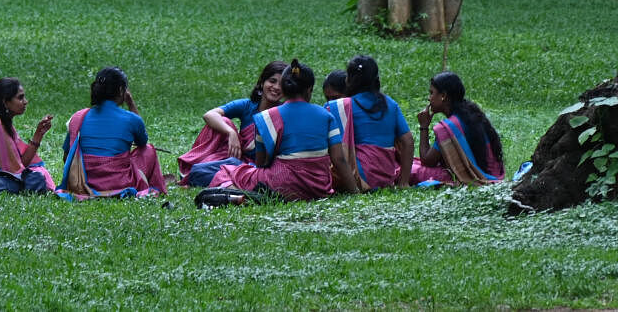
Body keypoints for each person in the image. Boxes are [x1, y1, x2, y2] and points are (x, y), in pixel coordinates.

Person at [209, 60, 359, 201]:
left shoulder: (267, 117)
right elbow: (339, 159)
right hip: (319, 188)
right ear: (310, 90)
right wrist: (355, 193)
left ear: (284, 88)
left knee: (227, 172)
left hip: (282, 184)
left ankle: (245, 196)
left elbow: (262, 163)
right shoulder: (327, 115)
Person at [57, 66, 167, 199]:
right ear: (121, 90)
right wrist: (131, 103)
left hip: (83, 183)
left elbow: (67, 156)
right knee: (148, 150)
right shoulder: (131, 119)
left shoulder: (79, 117)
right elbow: (142, 143)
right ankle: (152, 188)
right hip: (120, 184)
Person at [177, 60, 287, 186]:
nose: (276, 87)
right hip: (235, 159)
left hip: (255, 168)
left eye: (282, 84)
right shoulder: (247, 105)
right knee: (223, 122)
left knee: (202, 172)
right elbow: (210, 115)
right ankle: (198, 168)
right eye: (272, 81)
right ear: (262, 83)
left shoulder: (284, 113)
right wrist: (231, 133)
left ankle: (210, 176)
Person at [326, 55, 413, 190]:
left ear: (348, 80)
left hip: (357, 177)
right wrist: (404, 181)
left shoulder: (342, 106)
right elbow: (408, 141)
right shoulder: (390, 104)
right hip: (387, 177)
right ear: (376, 79)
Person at [411, 71, 505, 186]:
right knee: (409, 162)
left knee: (409, 170)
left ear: (443, 96)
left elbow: (427, 161)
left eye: (432, 93)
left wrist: (424, 127)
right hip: (492, 174)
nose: (429, 98)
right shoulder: (473, 114)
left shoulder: (448, 127)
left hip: (468, 176)